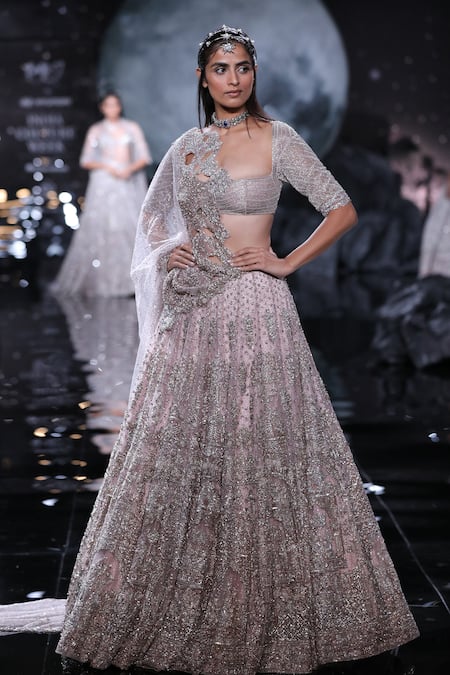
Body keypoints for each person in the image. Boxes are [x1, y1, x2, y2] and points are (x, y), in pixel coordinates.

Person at [0, 26, 418, 674]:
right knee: (180, 447)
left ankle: (270, 599)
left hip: (258, 306)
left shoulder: (279, 138)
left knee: (265, 446)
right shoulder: (187, 146)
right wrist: (171, 250)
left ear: (254, 73)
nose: (233, 78)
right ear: (203, 77)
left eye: (242, 67)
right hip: (191, 310)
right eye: (221, 68)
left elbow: (340, 209)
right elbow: (151, 220)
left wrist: (285, 261)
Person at [51, 92, 152, 297]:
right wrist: (108, 166)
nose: (112, 108)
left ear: (120, 106)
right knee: (103, 229)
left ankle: (132, 281)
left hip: (126, 182)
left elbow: (144, 156)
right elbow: (86, 160)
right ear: (102, 108)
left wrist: (129, 169)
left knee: (128, 228)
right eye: (108, 105)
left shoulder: (131, 127)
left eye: (115, 104)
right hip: (105, 183)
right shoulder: (96, 130)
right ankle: (106, 282)